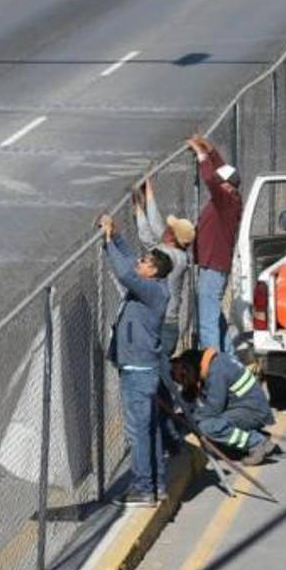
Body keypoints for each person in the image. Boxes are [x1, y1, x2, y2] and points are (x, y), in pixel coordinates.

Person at [100, 214, 173, 507]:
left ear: (153, 272)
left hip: (138, 372)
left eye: (145, 262)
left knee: (137, 432)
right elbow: (130, 263)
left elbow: (125, 273)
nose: (139, 263)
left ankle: (143, 488)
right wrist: (116, 235)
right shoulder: (150, 285)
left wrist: (107, 242)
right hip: (141, 369)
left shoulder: (151, 290)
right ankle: (157, 484)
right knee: (149, 429)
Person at [185, 134, 243, 354]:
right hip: (213, 266)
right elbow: (220, 171)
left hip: (214, 268)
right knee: (214, 317)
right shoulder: (230, 196)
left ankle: (212, 367)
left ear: (227, 185)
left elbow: (211, 178)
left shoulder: (226, 200)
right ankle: (231, 360)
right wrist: (209, 149)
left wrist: (201, 156)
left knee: (207, 324)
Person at [170, 347, 275, 466]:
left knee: (208, 427)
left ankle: (256, 442)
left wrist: (190, 418)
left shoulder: (217, 371)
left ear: (187, 370)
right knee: (208, 427)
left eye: (183, 380)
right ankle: (254, 436)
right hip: (248, 408)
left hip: (253, 412)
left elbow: (212, 410)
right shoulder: (215, 362)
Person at [133, 177, 194, 356]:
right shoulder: (175, 250)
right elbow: (157, 224)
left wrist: (137, 205)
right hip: (165, 324)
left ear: (172, 238)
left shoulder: (170, 257)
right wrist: (148, 190)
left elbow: (146, 235)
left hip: (163, 327)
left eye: (170, 228)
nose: (166, 228)